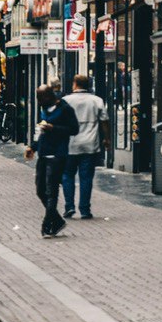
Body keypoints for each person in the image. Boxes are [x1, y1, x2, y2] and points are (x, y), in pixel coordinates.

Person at [27, 84, 78, 237]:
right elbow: (42, 132)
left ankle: (47, 224)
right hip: (44, 153)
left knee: (52, 190)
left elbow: (74, 129)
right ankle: (57, 220)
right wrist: (33, 147)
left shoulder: (65, 109)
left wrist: (53, 128)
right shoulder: (44, 109)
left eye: (41, 99)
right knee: (40, 189)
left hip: (58, 154)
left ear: (49, 97)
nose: (39, 103)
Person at [60, 76, 106, 221]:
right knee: (86, 177)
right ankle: (85, 209)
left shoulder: (65, 101)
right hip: (90, 144)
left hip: (70, 144)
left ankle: (69, 206)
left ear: (74, 84)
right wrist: (107, 138)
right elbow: (105, 120)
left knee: (67, 175)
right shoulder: (96, 100)